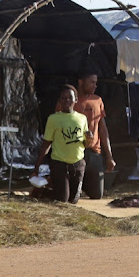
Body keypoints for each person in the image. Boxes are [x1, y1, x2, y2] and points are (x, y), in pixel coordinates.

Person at [56, 70, 116, 199]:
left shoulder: (97, 100)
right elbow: (58, 125)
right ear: (81, 82)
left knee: (97, 195)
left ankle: (82, 185)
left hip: (94, 151)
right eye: (92, 82)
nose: (95, 86)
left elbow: (103, 129)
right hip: (74, 151)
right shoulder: (68, 101)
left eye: (96, 83)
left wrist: (109, 156)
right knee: (69, 196)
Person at [35, 85, 92, 204]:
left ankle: (58, 190)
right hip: (59, 164)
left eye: (70, 98)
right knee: (62, 200)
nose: (67, 100)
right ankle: (43, 192)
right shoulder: (53, 119)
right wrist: (37, 167)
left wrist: (89, 139)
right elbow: (46, 144)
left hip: (78, 163)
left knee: (74, 200)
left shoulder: (82, 119)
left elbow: (85, 144)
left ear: (76, 99)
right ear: (59, 101)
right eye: (63, 98)